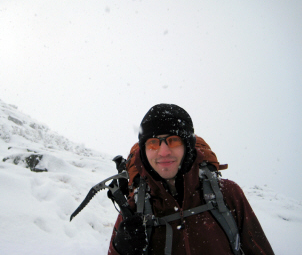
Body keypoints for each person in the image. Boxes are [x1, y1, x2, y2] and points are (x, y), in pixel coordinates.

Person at [108, 103, 274, 255]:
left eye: (173, 140)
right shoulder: (136, 207)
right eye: (153, 143)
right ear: (144, 151)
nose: (163, 151)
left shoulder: (227, 195)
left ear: (188, 145)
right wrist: (120, 251)